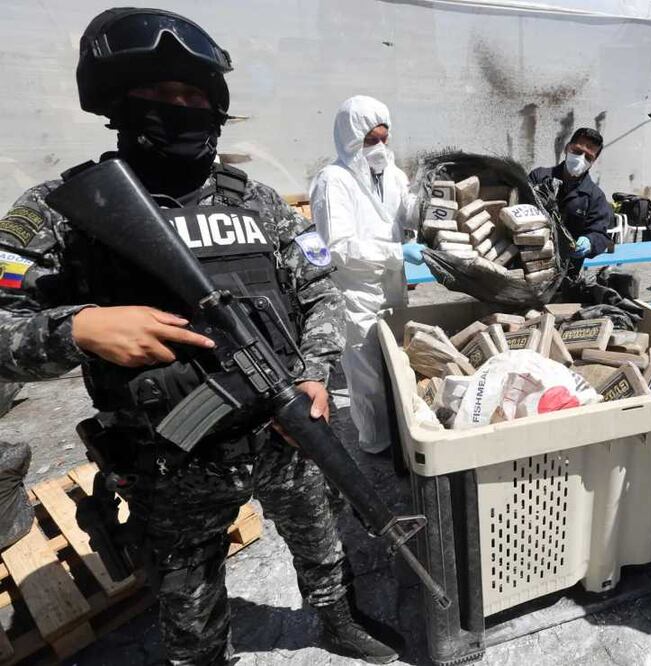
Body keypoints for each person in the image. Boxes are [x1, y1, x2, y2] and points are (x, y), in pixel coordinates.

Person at [0, 9, 398, 664]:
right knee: (187, 585)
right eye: (156, 95)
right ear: (117, 104)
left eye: (191, 97)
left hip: (281, 427)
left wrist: (313, 373)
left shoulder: (259, 202)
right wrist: (80, 328)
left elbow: (320, 288)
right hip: (171, 455)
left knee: (319, 529)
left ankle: (335, 621)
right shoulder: (63, 209)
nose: (176, 109)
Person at [309, 96, 421, 456]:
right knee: (368, 374)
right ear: (351, 139)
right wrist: (394, 253)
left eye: (384, 139)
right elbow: (337, 246)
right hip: (357, 294)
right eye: (370, 140)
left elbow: (407, 214)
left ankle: (404, 436)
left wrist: (430, 204)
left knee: (399, 367)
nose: (379, 148)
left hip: (392, 288)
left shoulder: (394, 174)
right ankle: (375, 443)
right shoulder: (333, 181)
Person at [529, 127, 614, 260]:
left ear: (593, 162)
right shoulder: (538, 177)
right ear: (567, 148)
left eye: (588, 157)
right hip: (531, 257)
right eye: (577, 151)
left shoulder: (595, 197)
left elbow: (601, 235)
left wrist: (589, 241)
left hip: (568, 268)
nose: (581, 159)